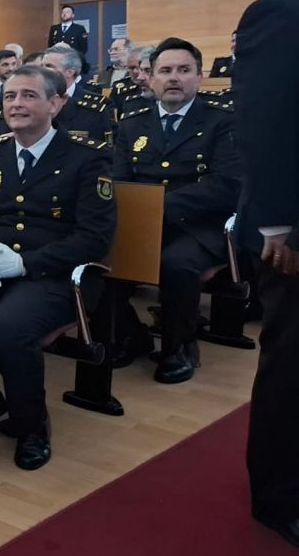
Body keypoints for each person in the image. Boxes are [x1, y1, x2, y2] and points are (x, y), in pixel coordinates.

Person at [0, 65, 115, 471]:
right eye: (10, 96)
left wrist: (25, 263)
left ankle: (31, 427)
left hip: (56, 273)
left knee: (6, 330)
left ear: (56, 103)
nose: (16, 104)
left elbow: (94, 239)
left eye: (28, 95)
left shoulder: (87, 159)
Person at [110, 37, 241, 383]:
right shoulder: (132, 123)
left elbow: (226, 184)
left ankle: (179, 347)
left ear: (199, 77)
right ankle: (131, 335)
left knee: (176, 265)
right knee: (97, 258)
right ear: (150, 77)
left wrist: (159, 207)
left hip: (199, 225)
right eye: (165, 70)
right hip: (143, 223)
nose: (174, 78)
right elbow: (120, 180)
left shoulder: (222, 121)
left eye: (184, 70)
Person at [238, 0, 299, 546]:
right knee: (292, 366)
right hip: (294, 229)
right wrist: (279, 225)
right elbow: (267, 129)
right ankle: (278, 492)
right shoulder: (279, 14)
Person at [40, 46, 113, 143]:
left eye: (49, 66)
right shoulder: (32, 100)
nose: (41, 71)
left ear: (70, 72)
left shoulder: (98, 105)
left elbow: (104, 148)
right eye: (41, 66)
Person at [48, 5, 90, 72]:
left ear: (73, 15)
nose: (64, 14)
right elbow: (50, 45)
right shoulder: (54, 28)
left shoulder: (79, 28)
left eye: (67, 12)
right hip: (57, 62)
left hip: (72, 62)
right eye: (63, 12)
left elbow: (83, 48)